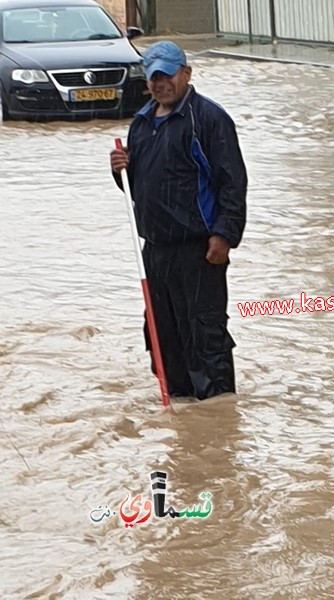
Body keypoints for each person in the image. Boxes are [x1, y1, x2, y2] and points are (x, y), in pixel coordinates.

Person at [110, 41, 247, 400]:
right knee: (163, 336)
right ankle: (184, 418)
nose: (160, 84)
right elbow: (140, 189)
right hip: (154, 251)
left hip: (199, 250)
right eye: (154, 77)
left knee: (204, 335)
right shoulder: (141, 123)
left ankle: (218, 412)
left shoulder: (209, 119)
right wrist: (120, 172)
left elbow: (232, 182)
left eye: (167, 75)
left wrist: (225, 235)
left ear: (185, 74)